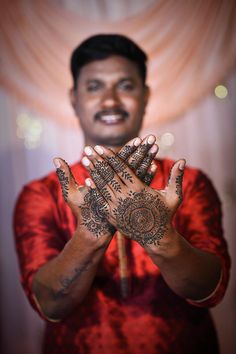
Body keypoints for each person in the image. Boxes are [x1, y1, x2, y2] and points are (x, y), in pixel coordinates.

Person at [14, 34, 230, 354]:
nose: (111, 100)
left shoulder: (185, 182)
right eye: (94, 86)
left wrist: (158, 234)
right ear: (74, 99)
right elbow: (48, 304)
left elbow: (209, 289)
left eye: (126, 86)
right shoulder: (41, 193)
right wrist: (90, 232)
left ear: (146, 95)